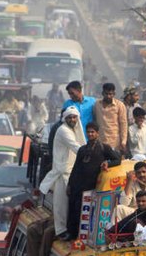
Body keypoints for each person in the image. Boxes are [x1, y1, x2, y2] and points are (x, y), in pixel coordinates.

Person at [65, 122, 122, 240]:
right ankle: (71, 234)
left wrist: (108, 163)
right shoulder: (82, 149)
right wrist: (70, 184)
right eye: (88, 132)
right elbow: (75, 168)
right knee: (73, 209)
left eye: (92, 132)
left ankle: (81, 237)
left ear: (97, 133)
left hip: (90, 185)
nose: (90, 134)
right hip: (77, 184)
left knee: (84, 211)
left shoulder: (103, 148)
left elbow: (117, 159)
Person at [39, 106, 85, 238]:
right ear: (65, 119)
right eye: (70, 117)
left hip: (72, 172)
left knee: (71, 204)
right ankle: (61, 231)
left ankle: (70, 229)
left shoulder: (74, 130)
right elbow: (78, 148)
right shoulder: (64, 130)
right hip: (63, 172)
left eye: (74, 117)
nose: (72, 119)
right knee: (61, 204)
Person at [94, 83, 128, 155]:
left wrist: (123, 142)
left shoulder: (120, 105)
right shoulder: (96, 104)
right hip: (100, 141)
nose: (108, 96)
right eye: (106, 94)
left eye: (111, 94)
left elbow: (123, 124)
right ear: (102, 93)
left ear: (114, 94)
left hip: (115, 142)